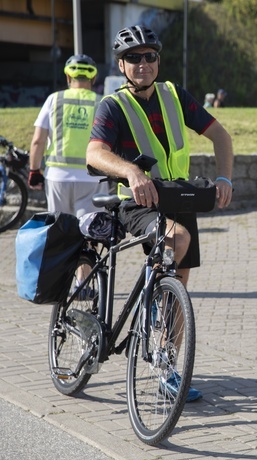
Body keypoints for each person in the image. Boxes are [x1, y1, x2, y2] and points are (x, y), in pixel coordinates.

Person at [86, 25, 234, 401]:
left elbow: (221, 136)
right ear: (121, 64)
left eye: (149, 56)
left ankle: (167, 365)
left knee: (178, 286)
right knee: (176, 239)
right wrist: (132, 171)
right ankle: (153, 302)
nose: (143, 64)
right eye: (134, 58)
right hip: (136, 203)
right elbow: (94, 154)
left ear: (158, 61)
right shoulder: (113, 105)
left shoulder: (173, 96)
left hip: (178, 198)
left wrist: (224, 177)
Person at [28, 54, 108, 216]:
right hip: (93, 177)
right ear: (93, 78)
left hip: (58, 177)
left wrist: (34, 170)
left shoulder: (54, 100)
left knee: (59, 230)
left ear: (68, 77)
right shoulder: (103, 103)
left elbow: (38, 141)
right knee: (90, 230)